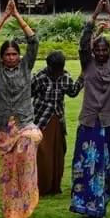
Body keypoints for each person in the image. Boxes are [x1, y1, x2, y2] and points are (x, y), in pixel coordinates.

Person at [71, 0, 110, 218]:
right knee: (89, 165)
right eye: (99, 50)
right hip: (90, 122)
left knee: (105, 168)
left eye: (106, 50)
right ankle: (87, 206)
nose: (102, 53)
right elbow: (84, 42)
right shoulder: (87, 65)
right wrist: (95, 13)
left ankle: (101, 205)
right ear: (94, 52)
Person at [0, 0, 43, 218]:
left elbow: (34, 41)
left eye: (13, 54)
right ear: (1, 57)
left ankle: (26, 206)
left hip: (24, 122)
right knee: (8, 171)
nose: (10, 57)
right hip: (1, 125)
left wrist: (17, 16)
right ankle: (11, 212)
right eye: (7, 54)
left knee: (29, 147)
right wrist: (3, 18)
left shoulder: (26, 66)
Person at [31, 51, 83, 197]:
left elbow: (72, 92)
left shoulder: (65, 77)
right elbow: (28, 93)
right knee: (42, 155)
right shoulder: (39, 76)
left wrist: (82, 77)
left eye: (59, 70)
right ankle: (40, 187)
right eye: (54, 70)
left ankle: (54, 186)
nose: (57, 73)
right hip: (41, 121)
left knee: (58, 154)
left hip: (58, 121)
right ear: (48, 67)